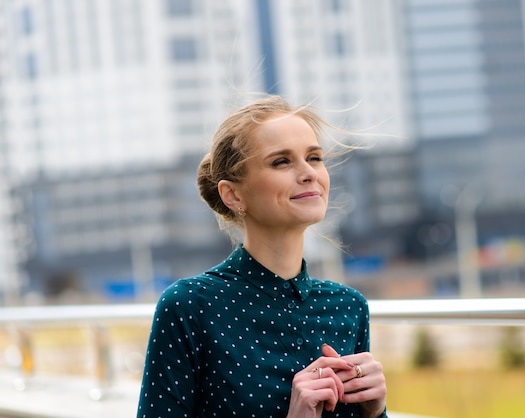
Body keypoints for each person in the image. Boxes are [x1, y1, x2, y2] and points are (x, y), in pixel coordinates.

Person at [137, 95, 387, 418]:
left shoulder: (349, 308)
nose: (309, 173)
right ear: (233, 194)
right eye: (281, 162)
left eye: (314, 157)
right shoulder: (190, 307)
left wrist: (376, 411)